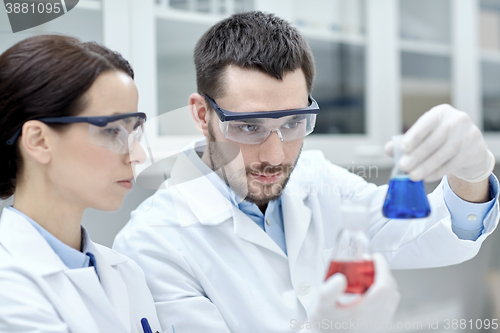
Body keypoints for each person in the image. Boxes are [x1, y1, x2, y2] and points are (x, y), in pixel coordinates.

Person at [113, 11, 499, 333]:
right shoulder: (152, 245)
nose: (275, 154)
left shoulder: (318, 179)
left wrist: (471, 173)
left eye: (294, 122)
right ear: (202, 115)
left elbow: (426, 234)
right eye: (249, 127)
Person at [0, 35, 162, 333]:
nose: (136, 155)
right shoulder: (7, 287)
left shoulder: (126, 273)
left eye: (134, 132)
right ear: (38, 140)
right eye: (112, 132)